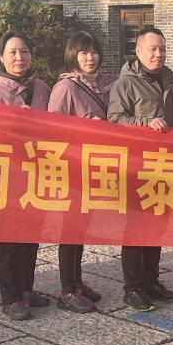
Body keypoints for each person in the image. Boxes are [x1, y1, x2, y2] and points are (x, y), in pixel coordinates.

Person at [0, 32, 52, 320]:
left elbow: (56, 127)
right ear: (1, 57)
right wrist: (15, 125)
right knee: (9, 237)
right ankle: (10, 297)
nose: (19, 57)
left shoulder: (42, 88)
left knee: (31, 234)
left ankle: (25, 288)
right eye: (12, 52)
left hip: (37, 171)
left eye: (24, 51)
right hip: (7, 174)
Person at [109, 26, 173, 312]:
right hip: (136, 167)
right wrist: (145, 123)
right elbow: (114, 119)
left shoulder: (168, 81)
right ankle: (133, 287)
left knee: (157, 227)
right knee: (136, 229)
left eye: (162, 48)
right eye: (152, 48)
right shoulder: (125, 84)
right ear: (138, 51)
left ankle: (152, 281)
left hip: (162, 165)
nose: (158, 54)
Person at [48, 31, 112, 313]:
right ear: (73, 55)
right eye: (84, 52)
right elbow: (54, 131)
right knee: (69, 230)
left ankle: (77, 281)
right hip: (73, 169)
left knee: (82, 228)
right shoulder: (65, 88)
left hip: (94, 168)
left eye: (94, 52)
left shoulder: (105, 85)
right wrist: (87, 128)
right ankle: (66, 289)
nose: (90, 58)